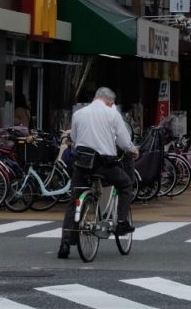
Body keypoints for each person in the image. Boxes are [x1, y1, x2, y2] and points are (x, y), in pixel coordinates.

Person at [58, 87, 138, 260]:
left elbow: (76, 140)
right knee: (125, 184)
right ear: (110, 102)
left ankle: (65, 244)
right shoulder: (113, 114)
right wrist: (133, 150)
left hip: (82, 164)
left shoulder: (78, 114)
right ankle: (122, 223)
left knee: (74, 199)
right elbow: (124, 141)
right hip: (104, 165)